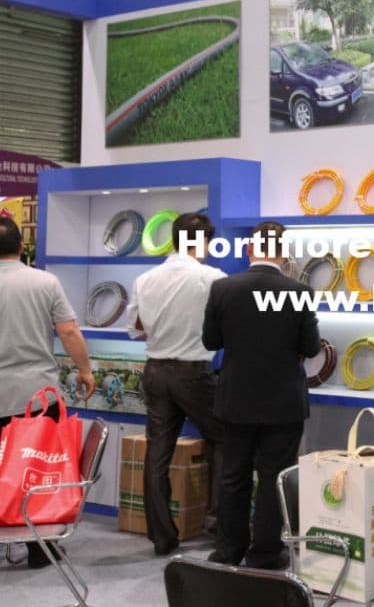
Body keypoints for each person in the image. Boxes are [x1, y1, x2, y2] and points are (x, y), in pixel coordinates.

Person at [202, 221, 321, 570]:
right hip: (283, 401)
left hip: (236, 398)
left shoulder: (223, 287)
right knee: (273, 476)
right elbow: (312, 347)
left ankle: (228, 549)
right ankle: (266, 552)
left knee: (233, 475)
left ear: (250, 249)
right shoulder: (298, 291)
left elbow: (211, 341)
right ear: (284, 254)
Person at [126, 212, 226, 556]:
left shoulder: (145, 279)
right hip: (194, 372)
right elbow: (225, 326)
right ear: (201, 241)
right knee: (225, 437)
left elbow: (137, 327)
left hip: (155, 370)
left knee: (158, 452)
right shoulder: (212, 278)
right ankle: (218, 523)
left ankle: (162, 536)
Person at [0, 216, 95, 568]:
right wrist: (85, 369)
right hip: (36, 397)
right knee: (36, 471)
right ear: (21, 246)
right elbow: (68, 331)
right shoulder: (45, 282)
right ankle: (41, 548)